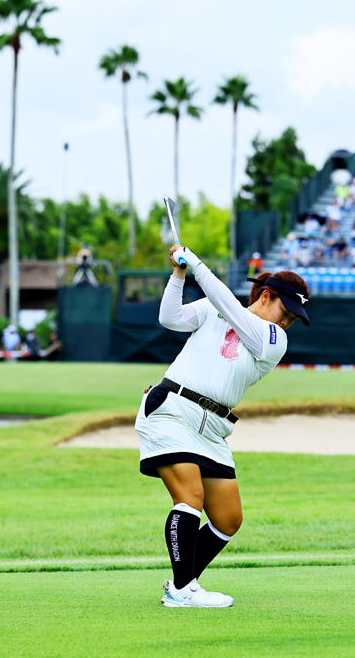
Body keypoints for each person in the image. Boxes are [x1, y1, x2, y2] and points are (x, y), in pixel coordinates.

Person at [136, 244, 309, 608]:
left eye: (293, 317)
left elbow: (230, 307)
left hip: (214, 428)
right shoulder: (214, 308)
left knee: (228, 520)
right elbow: (170, 318)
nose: (287, 321)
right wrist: (180, 274)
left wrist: (196, 264)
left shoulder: (274, 339)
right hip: (173, 409)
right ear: (266, 295)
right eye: (286, 311)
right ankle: (183, 591)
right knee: (190, 498)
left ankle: (181, 584)